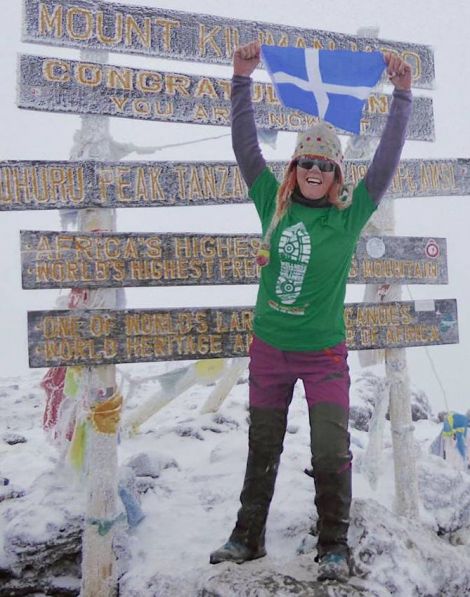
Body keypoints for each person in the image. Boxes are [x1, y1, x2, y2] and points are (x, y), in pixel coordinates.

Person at [210, 41, 412, 582]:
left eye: (325, 163)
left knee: (329, 449)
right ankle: (246, 538)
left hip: (323, 355)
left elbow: (387, 160)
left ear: (337, 173)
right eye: (306, 162)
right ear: (295, 167)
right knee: (263, 446)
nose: (315, 170)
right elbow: (246, 147)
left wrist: (403, 95)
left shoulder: (348, 217)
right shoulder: (269, 199)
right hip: (270, 351)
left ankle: (334, 546)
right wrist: (241, 80)